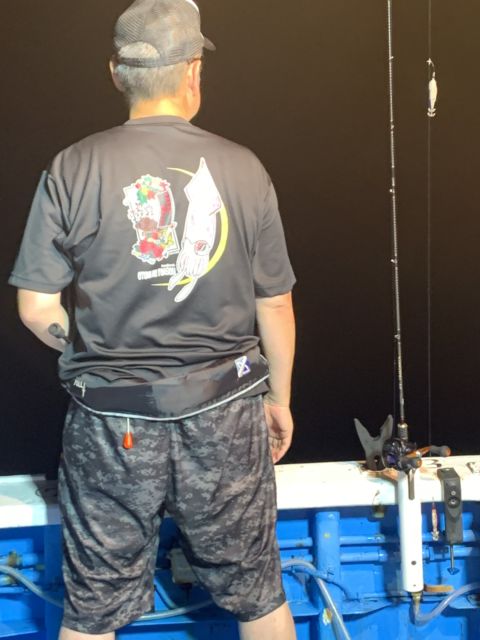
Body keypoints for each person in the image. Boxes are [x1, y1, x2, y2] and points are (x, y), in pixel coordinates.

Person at [9, 0, 296, 638]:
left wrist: (95, 352)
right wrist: (278, 399)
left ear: (117, 73)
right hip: (226, 413)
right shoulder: (244, 167)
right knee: (257, 593)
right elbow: (274, 303)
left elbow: (35, 306)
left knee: (92, 609)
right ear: (194, 71)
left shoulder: (72, 166)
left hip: (110, 419)